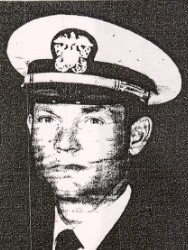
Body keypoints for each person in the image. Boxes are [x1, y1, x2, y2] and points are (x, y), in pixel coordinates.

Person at [7, 15, 181, 250]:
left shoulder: (172, 237)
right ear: (30, 126)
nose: (65, 143)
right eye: (48, 119)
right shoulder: (10, 231)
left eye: (92, 121)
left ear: (136, 135)